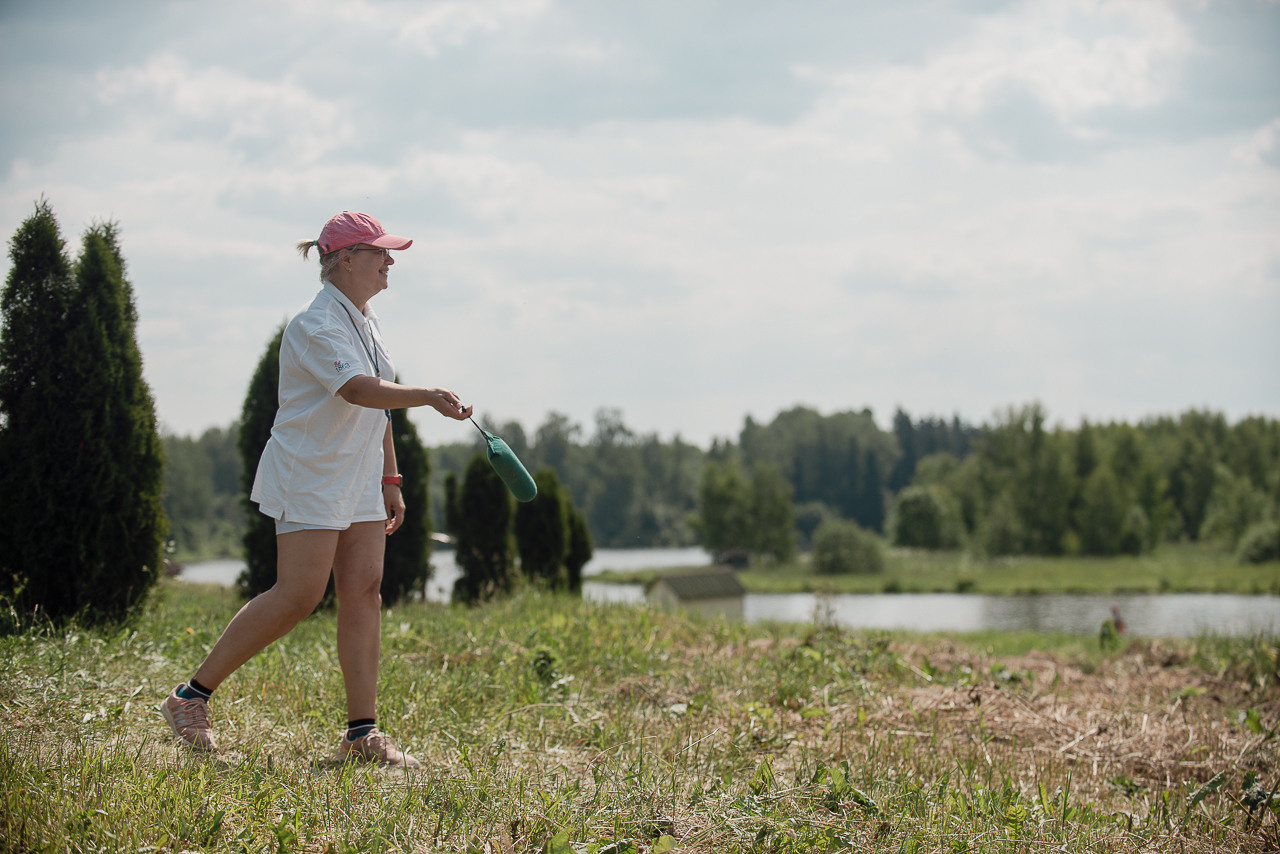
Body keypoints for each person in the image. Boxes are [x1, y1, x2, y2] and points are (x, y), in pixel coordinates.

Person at [160, 211, 472, 767]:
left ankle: (362, 734)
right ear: (345, 260)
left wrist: (390, 478)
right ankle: (190, 698)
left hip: (356, 479)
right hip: (309, 473)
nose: (390, 262)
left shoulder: (366, 320)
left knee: (365, 589)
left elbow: (377, 409)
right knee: (298, 597)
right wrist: (427, 394)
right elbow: (357, 390)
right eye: (380, 252)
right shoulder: (315, 324)